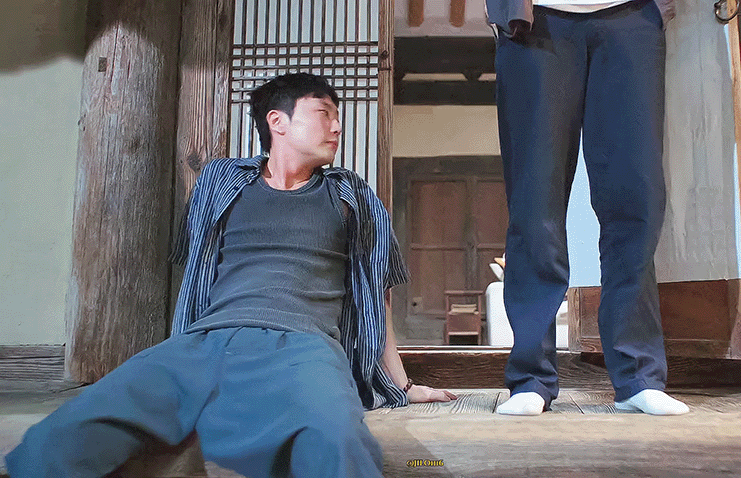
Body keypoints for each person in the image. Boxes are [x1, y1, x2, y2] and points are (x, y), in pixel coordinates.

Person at [5, 72, 456, 477]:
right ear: (278, 122)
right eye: (324, 113)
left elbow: (376, 292)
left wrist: (401, 385)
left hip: (304, 347)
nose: (337, 126)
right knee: (61, 435)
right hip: (203, 343)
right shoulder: (222, 182)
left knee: (336, 441)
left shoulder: (349, 195)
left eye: (337, 117)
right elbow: (196, 265)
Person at [485, 0, 690, 416]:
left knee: (636, 198)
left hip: (631, 16)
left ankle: (638, 375)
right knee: (534, 203)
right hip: (537, 21)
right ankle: (531, 377)